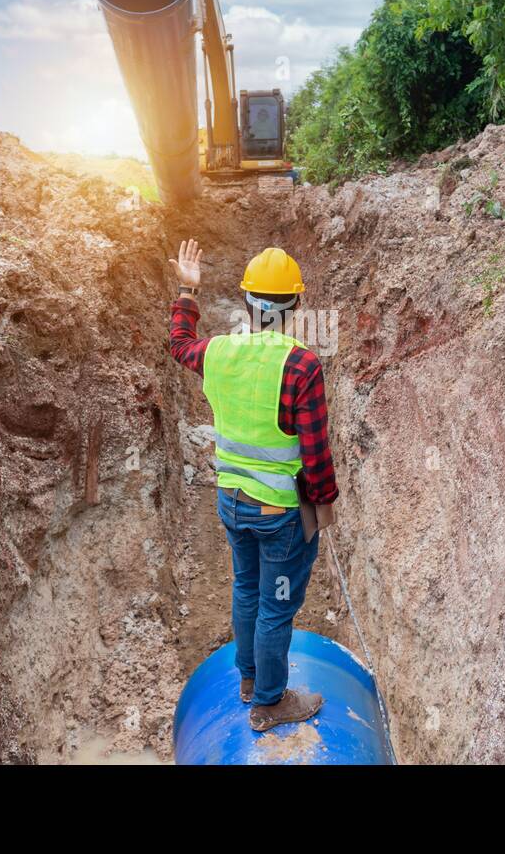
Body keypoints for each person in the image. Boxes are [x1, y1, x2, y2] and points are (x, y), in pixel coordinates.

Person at [168, 239, 338, 731]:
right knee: (276, 604)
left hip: (231, 502)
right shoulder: (300, 365)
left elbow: (179, 344)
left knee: (245, 588)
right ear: (296, 306)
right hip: (279, 514)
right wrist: (324, 501)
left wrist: (187, 290)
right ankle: (268, 701)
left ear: (246, 301)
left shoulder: (220, 352)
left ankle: (247, 679)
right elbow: (315, 451)